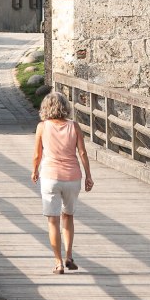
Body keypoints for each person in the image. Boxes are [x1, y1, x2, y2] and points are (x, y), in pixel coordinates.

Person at [31, 92, 93, 274]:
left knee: (53, 221)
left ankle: (58, 262)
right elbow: (82, 153)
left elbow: (37, 155)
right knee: (68, 216)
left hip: (50, 177)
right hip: (72, 177)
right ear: (66, 107)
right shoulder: (74, 126)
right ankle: (69, 256)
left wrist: (34, 171)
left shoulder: (42, 127)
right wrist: (88, 175)